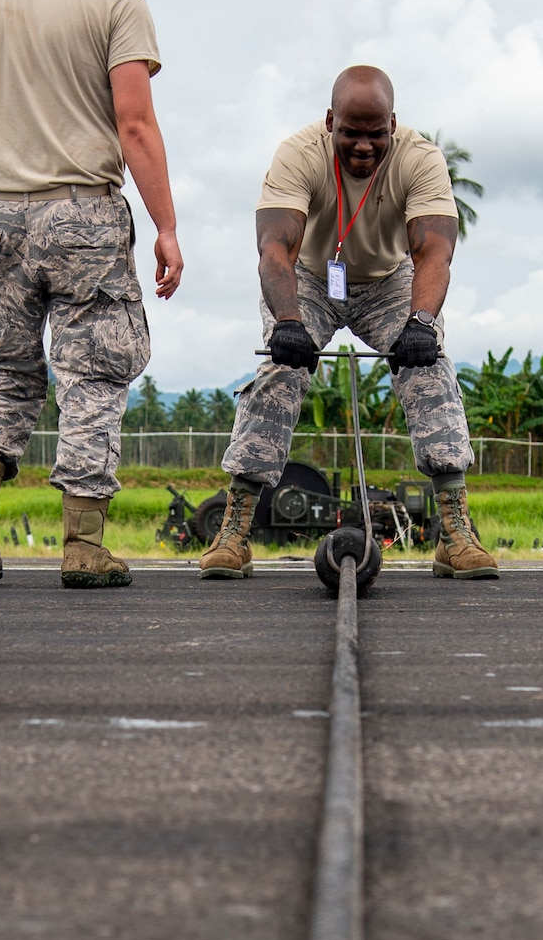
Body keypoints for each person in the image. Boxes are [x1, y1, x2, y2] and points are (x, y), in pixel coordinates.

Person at [0, 0, 182, 588]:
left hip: (0, 214)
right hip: (82, 215)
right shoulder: (119, 7)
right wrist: (167, 227)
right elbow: (135, 124)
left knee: (1, 370)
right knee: (95, 375)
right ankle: (82, 547)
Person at [199, 65, 497, 580]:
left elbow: (434, 253)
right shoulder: (298, 155)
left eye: (375, 134)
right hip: (310, 278)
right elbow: (274, 248)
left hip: (389, 282)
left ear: (393, 124)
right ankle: (235, 532)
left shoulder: (420, 158)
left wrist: (421, 323)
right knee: (279, 371)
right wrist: (287, 323)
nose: (363, 146)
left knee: (431, 371)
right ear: (330, 120)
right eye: (350, 133)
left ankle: (455, 533)